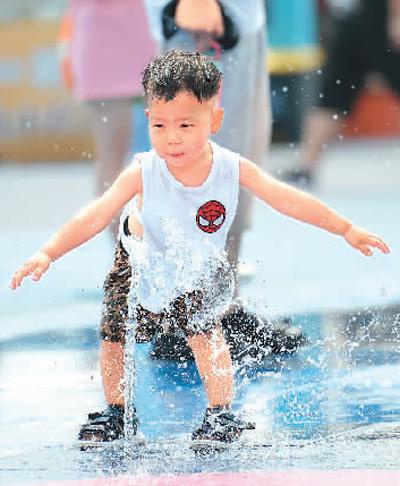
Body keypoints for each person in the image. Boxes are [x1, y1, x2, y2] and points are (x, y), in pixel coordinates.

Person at [11, 51, 390, 447]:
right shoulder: (143, 170)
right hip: (138, 259)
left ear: (215, 121)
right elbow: (95, 214)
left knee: (206, 333)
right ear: (148, 119)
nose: (172, 137)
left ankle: (221, 414)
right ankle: (116, 412)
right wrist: (48, 252)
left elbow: (286, 199)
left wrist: (345, 228)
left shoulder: (231, 168)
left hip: (195, 263)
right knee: (115, 336)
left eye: (186, 125)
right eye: (159, 125)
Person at [282, 0, 400, 187]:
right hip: (360, 16)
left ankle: (306, 166)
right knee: (334, 94)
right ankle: (306, 166)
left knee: (334, 94)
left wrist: (397, 14)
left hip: (372, 14)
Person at [68, 0, 156, 236]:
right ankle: (123, 249)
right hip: (103, 46)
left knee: (180, 148)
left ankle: (180, 242)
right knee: (112, 155)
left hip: (152, 39)